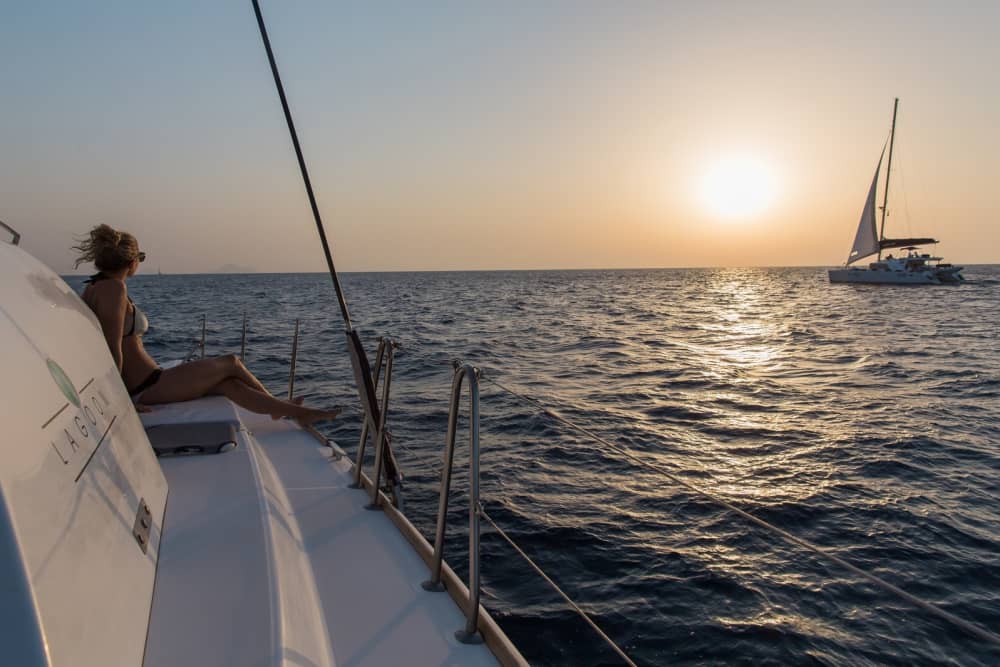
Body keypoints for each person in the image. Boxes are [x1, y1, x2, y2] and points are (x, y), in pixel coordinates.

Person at [73, 224, 340, 427]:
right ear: (132, 262)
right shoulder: (114, 289)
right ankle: (282, 408)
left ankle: (284, 409)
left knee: (228, 386)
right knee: (231, 362)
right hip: (147, 385)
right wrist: (122, 401)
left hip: (150, 381)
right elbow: (112, 348)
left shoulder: (96, 287)